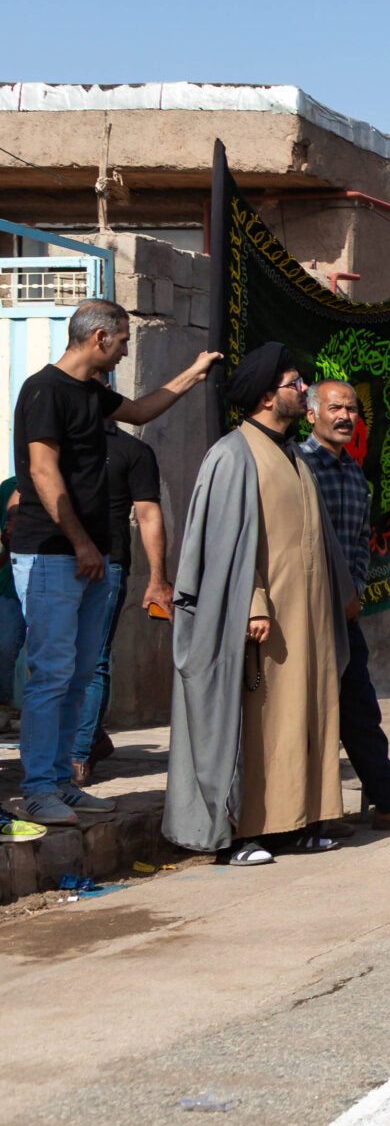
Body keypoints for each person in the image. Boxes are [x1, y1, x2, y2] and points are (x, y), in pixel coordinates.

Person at [13, 299, 217, 827]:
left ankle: (62, 781)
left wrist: (194, 373)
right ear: (100, 338)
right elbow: (42, 471)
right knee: (52, 674)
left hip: (91, 556)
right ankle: (38, 789)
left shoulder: (92, 393)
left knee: (79, 676)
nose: (128, 347)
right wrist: (81, 542)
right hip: (54, 553)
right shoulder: (44, 390)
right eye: (124, 339)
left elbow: (142, 411)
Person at [165, 344, 356, 864]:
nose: (303, 391)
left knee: (302, 718)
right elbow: (223, 545)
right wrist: (252, 602)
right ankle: (242, 832)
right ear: (269, 395)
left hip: (306, 617)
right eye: (296, 383)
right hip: (260, 620)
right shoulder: (233, 454)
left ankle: (293, 824)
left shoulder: (290, 453)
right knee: (257, 721)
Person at [299, 379, 390, 831]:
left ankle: (388, 804)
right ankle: (313, 816)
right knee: (306, 716)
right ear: (311, 414)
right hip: (302, 612)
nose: (344, 416)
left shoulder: (353, 471)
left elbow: (361, 540)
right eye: (335, 408)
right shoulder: (297, 466)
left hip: (342, 614)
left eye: (352, 410)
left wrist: (354, 589)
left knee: (360, 710)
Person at [69, 425, 170, 782]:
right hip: (55, 561)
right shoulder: (60, 437)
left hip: (108, 564)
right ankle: (91, 738)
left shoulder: (132, 450)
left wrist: (158, 579)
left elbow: (147, 515)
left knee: (94, 658)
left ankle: (78, 756)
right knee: (57, 660)